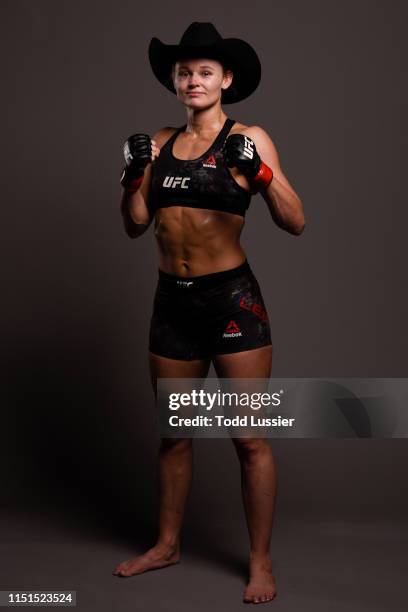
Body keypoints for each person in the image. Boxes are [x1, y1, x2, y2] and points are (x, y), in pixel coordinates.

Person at [113, 22, 305, 604]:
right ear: (174, 83)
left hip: (232, 302)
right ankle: (167, 544)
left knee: (249, 438)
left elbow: (295, 221)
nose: (193, 80)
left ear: (226, 80)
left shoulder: (250, 138)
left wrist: (263, 174)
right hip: (172, 302)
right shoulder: (159, 141)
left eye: (204, 72)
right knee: (174, 435)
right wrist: (129, 178)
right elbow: (135, 224)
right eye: (184, 72)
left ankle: (261, 561)